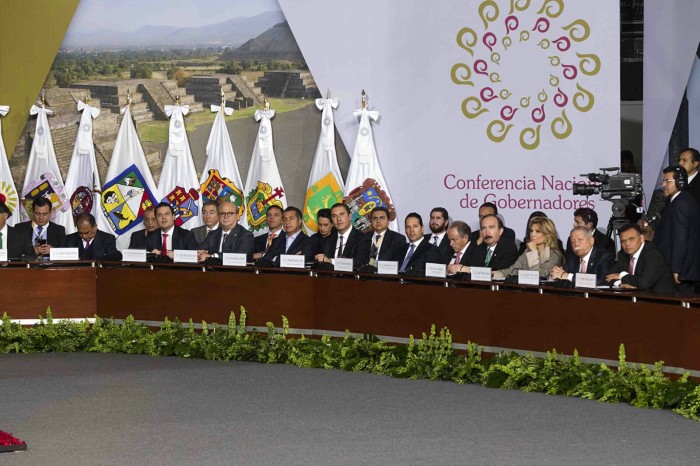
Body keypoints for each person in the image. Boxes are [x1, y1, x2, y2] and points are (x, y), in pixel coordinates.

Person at [652, 166, 700, 293]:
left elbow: (680, 239)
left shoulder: (680, 203)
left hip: (680, 273)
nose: (663, 185)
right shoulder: (681, 200)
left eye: (668, 181)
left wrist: (676, 269)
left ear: (680, 183)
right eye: (663, 182)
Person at [606, 223, 675, 294]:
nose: (627, 244)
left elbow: (643, 284)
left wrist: (622, 275)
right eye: (623, 241)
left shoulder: (653, 255)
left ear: (642, 238)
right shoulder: (623, 254)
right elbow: (608, 277)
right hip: (637, 298)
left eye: (631, 239)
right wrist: (620, 284)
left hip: (662, 300)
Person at [493, 217, 564, 279]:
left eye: (538, 231)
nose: (532, 234)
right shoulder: (527, 251)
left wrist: (534, 252)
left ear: (547, 234)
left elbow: (538, 275)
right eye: (531, 231)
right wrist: (493, 274)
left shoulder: (554, 254)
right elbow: (513, 270)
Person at [315, 203, 369, 267]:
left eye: (342, 214)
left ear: (350, 216)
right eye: (334, 216)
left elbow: (357, 263)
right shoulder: (327, 239)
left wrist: (331, 261)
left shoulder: (363, 238)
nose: (338, 219)